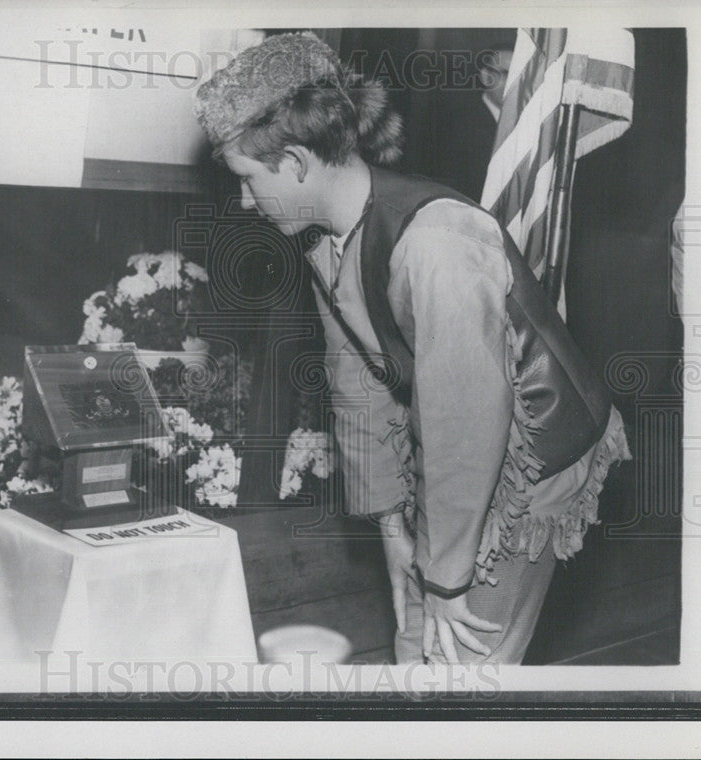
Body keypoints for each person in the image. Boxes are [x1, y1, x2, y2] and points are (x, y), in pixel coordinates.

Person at [194, 32, 631, 664]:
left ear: (294, 162)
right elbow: (358, 387)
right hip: (461, 452)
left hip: (530, 457)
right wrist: (393, 530)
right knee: (416, 649)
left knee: (460, 667)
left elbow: (468, 422)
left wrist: (448, 577)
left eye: (247, 178)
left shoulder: (438, 245)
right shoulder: (325, 236)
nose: (244, 201)